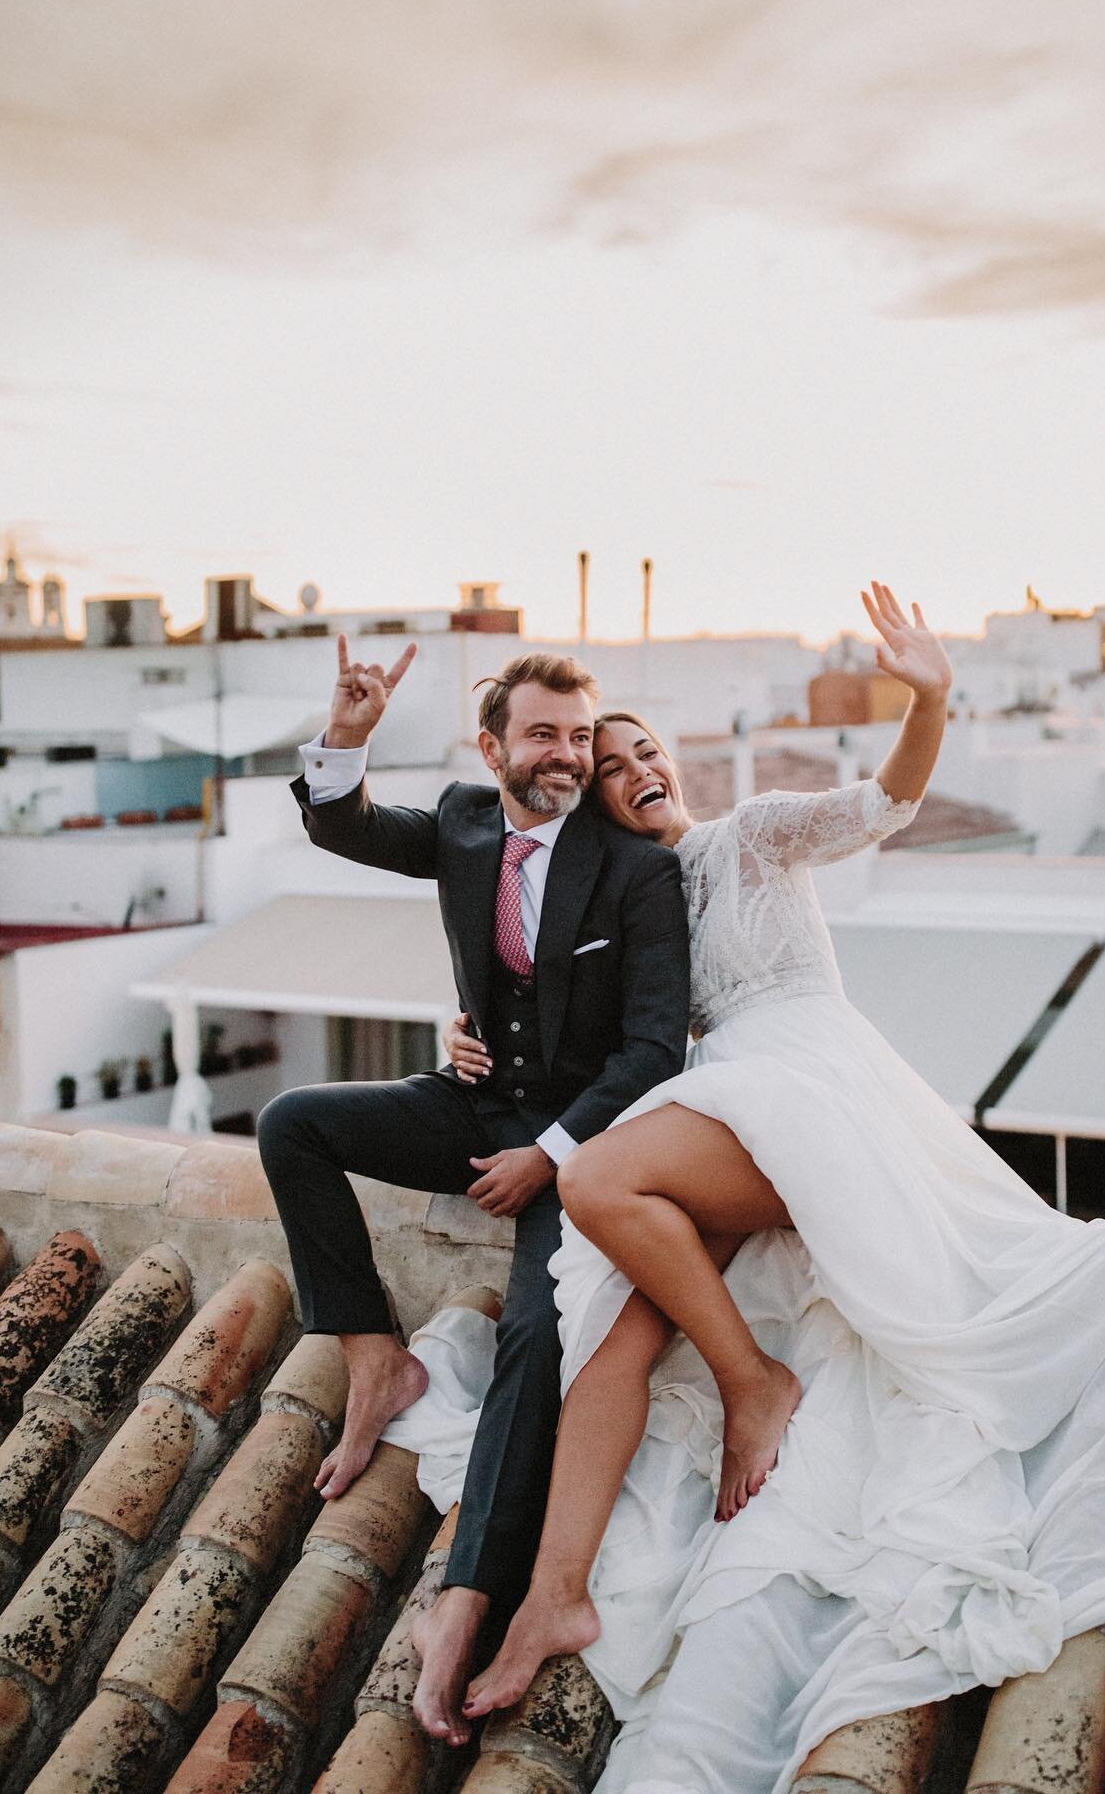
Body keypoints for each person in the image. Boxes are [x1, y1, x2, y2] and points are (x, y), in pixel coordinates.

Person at [390, 581, 1105, 1793]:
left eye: (647, 751)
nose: (637, 768)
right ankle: (558, 1595)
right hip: (726, 1110)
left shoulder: (751, 835)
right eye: (611, 767)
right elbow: (564, 1024)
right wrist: (466, 1039)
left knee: (597, 1189)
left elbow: (887, 802)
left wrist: (930, 698)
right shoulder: (629, 900)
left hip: (812, 1085)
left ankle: (752, 1384)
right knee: (612, 1321)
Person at [257, 637, 689, 1746]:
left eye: (580, 735)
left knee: (536, 1336)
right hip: (472, 1105)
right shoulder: (460, 821)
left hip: (584, 1147)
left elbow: (654, 1051)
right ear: (493, 748)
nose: (567, 754)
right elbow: (345, 827)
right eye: (542, 734)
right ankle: (375, 1358)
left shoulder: (636, 871)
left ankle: (465, 1603)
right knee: (292, 1124)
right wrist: (347, 735)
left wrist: (550, 1152)